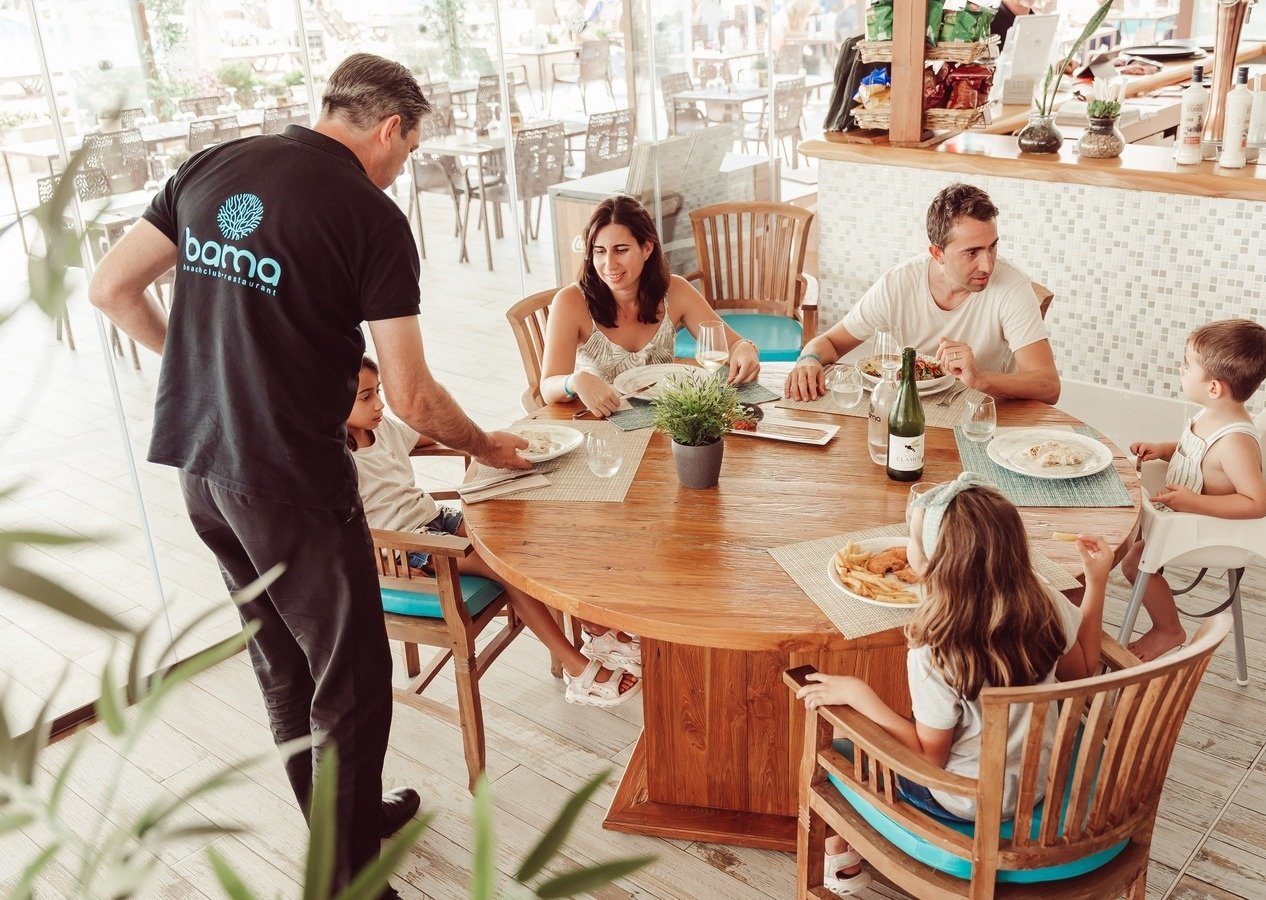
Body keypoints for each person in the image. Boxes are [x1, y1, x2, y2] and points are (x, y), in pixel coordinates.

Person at [88, 53, 529, 896]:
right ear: (391, 127)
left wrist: (198, 366)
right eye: (407, 151)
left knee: (284, 666)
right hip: (288, 475)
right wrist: (485, 446)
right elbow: (411, 394)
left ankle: (345, 828)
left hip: (202, 464)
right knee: (354, 687)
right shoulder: (370, 217)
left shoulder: (213, 165)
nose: (402, 170)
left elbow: (112, 287)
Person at [795, 474, 1112, 895]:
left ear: (931, 563)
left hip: (965, 803)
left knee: (842, 747)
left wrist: (860, 695)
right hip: (1037, 784)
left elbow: (930, 760)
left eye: (912, 539)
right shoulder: (1045, 600)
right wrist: (1097, 582)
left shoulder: (935, 650)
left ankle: (842, 866)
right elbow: (1084, 671)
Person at [347, 355, 640, 703]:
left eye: (378, 391)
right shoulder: (335, 461)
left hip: (434, 517)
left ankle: (593, 627)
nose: (380, 403)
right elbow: (335, 528)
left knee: (521, 542)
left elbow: (427, 437)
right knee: (504, 565)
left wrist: (472, 438)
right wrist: (380, 557)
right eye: (365, 397)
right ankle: (577, 668)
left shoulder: (383, 428)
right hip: (405, 548)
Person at [784, 183, 1060, 405]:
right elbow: (829, 344)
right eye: (972, 252)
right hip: (907, 411)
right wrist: (808, 360)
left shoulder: (1011, 287)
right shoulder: (898, 284)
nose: (987, 264)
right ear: (937, 254)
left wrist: (980, 379)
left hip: (980, 415)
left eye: (992, 247)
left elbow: (1049, 385)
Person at [1122, 319, 1266, 661]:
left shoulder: (1235, 441)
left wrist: (1194, 501)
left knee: (1133, 563)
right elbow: (1200, 452)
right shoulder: (1212, 414)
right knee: (1131, 534)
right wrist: (1164, 449)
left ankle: (1168, 629)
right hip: (1182, 517)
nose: (1181, 368)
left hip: (1210, 530)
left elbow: (1257, 502)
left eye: (1187, 365)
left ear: (1214, 387)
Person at [539, 193, 762, 419]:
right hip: (600, 426)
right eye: (600, 251)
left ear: (646, 248)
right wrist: (575, 381)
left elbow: (734, 344)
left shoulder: (675, 291)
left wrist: (745, 349)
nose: (609, 264)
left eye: (621, 249)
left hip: (668, 423)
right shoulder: (571, 302)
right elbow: (548, 387)